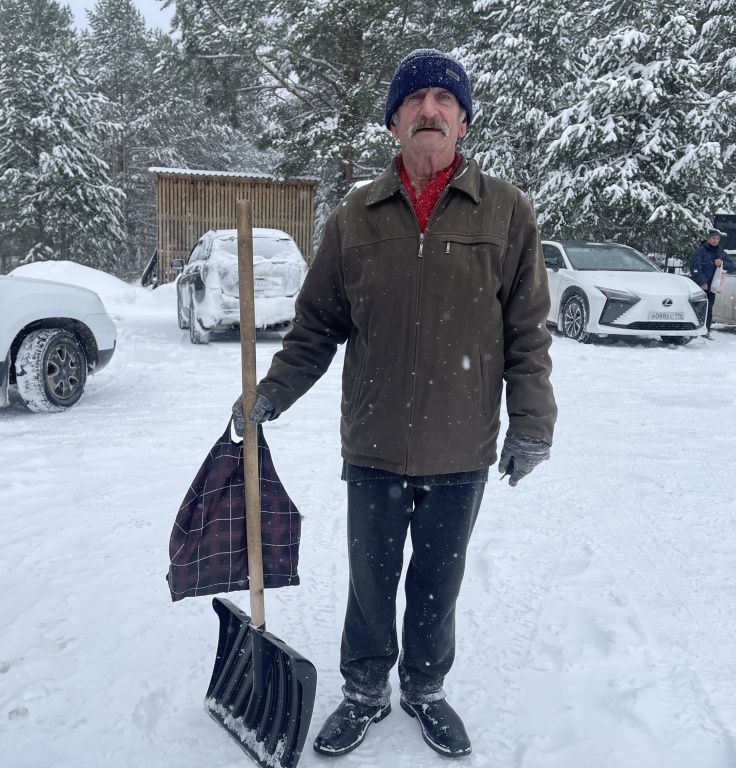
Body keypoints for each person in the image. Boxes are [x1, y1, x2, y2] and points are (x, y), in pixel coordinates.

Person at [231, 48, 558, 759]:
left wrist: (533, 423)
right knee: (372, 582)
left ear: (464, 121)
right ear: (393, 123)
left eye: (445, 100)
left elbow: (527, 332)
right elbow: (317, 323)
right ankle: (364, 691)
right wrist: (270, 393)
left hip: (461, 443)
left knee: (438, 581)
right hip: (375, 441)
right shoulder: (357, 216)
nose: (430, 111)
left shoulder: (506, 212)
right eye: (415, 101)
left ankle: (427, 689)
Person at [689, 227, 735, 337]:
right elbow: (695, 268)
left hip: (713, 286)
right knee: (699, 309)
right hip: (701, 286)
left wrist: (722, 263)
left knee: (709, 309)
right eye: (713, 238)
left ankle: (706, 331)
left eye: (717, 239)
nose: (715, 240)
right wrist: (702, 282)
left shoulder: (720, 252)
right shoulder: (701, 251)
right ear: (708, 239)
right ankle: (695, 330)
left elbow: (732, 266)